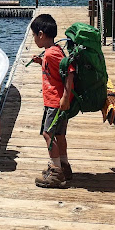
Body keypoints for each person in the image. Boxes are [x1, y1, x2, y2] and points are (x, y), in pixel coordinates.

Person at [29, 13, 73, 188]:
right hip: (58, 101)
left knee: (48, 134)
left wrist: (64, 97)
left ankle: (55, 172)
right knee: (59, 134)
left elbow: (70, 71)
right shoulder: (53, 52)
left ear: (41, 34)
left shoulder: (52, 54)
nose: (33, 39)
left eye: (33, 35)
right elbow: (57, 71)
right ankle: (64, 166)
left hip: (55, 102)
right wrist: (41, 62)